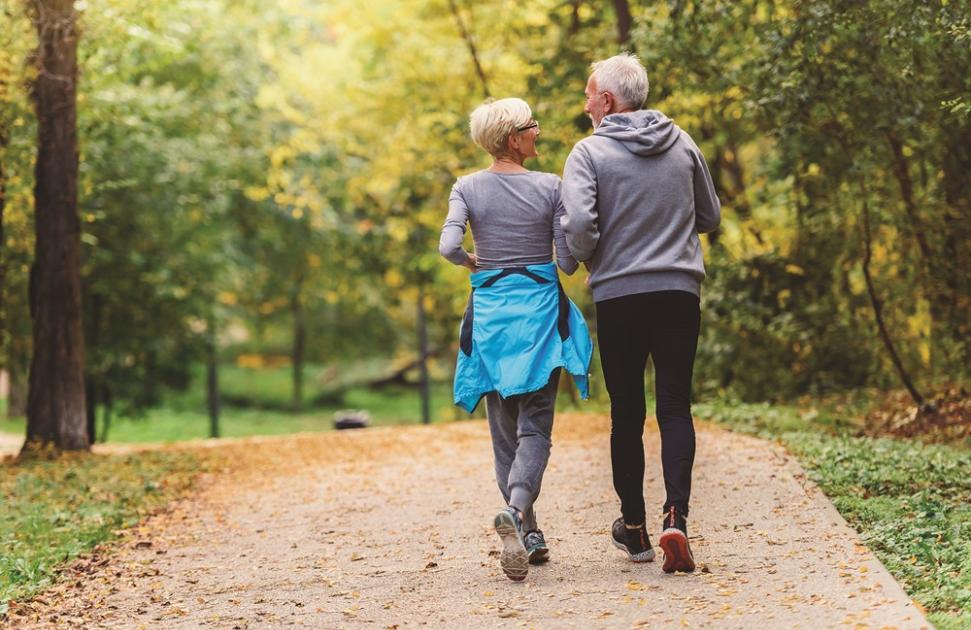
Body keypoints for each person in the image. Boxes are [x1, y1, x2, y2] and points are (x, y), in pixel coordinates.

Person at [561, 53, 721, 573]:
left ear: (608, 100)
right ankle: (677, 517)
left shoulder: (588, 153)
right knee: (674, 406)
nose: (586, 104)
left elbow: (579, 227)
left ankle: (634, 530)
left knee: (627, 413)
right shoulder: (683, 142)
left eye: (589, 95)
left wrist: (594, 257)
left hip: (620, 295)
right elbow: (709, 215)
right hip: (679, 290)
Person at [439, 97, 592, 582]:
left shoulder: (466, 187)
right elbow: (566, 262)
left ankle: (526, 529)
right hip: (539, 317)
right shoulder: (551, 187)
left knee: (504, 432)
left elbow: (448, 246)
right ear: (513, 138)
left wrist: (471, 261)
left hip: (490, 319)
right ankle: (518, 509)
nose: (537, 130)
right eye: (531, 125)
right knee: (536, 427)